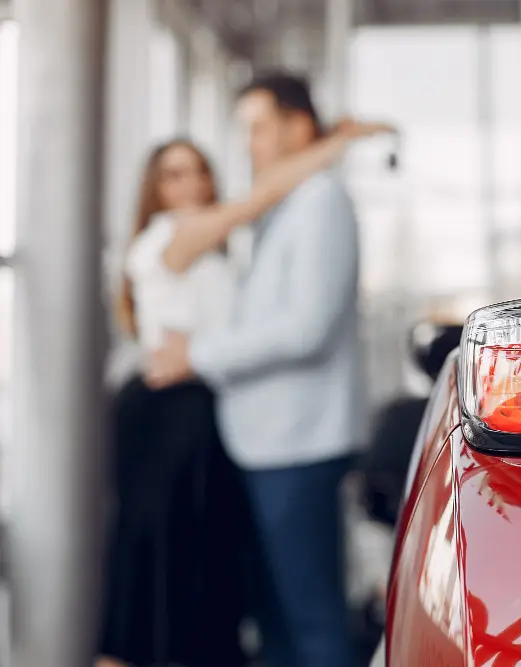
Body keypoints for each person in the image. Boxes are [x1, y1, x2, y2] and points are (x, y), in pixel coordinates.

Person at [98, 120, 386, 667]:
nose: (189, 186)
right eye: (173, 175)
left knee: (202, 571)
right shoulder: (170, 238)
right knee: (154, 563)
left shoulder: (217, 242)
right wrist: (335, 143)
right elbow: (264, 194)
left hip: (206, 414)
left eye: (199, 172)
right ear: (153, 190)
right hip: (165, 416)